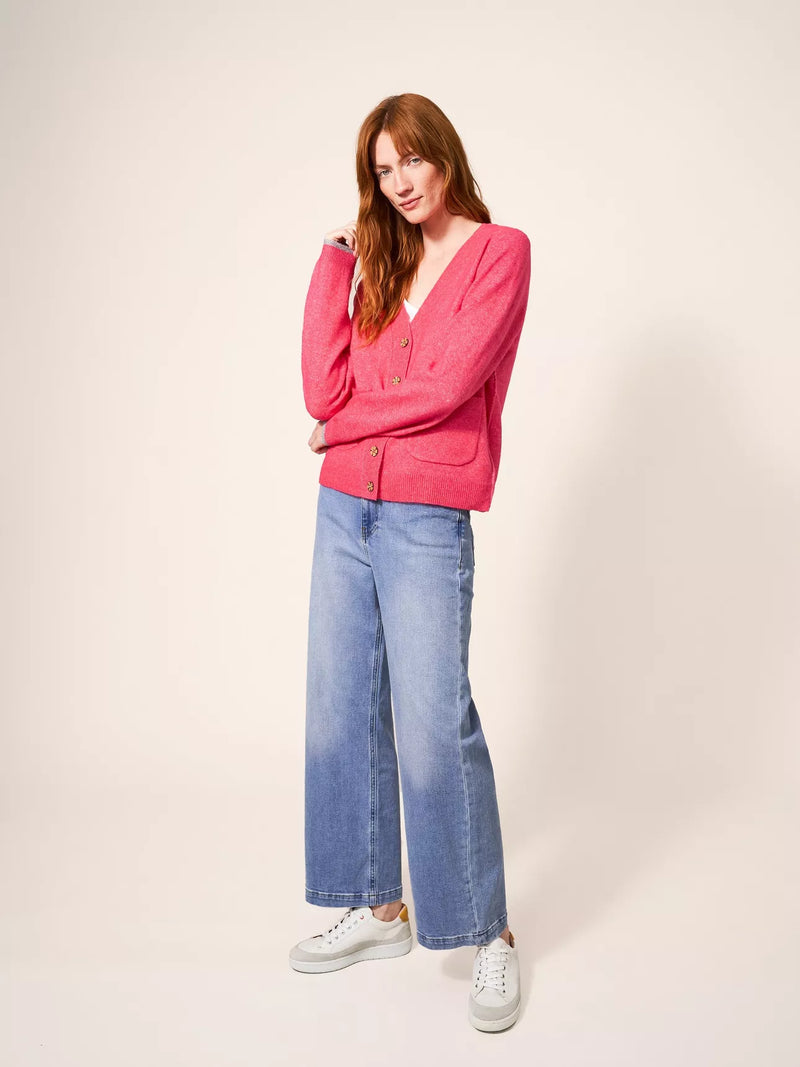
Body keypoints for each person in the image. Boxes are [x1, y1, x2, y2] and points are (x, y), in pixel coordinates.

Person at [289, 92, 532, 1033]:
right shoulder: (381, 264)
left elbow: (446, 385)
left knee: (433, 719)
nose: (398, 183)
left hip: (428, 512)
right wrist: (335, 259)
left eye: (410, 161)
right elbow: (323, 388)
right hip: (344, 507)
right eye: (381, 170)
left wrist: (340, 427)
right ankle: (377, 905)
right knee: (342, 704)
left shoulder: (500, 252)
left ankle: (488, 931)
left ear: (443, 155)